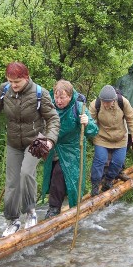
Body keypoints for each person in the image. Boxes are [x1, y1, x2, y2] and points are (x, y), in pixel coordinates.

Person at [0, 62, 60, 237]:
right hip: (14, 143)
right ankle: (12, 220)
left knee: (25, 173)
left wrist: (50, 140)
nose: (13, 86)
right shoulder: (4, 90)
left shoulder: (40, 93)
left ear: (26, 77)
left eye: (17, 82)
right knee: (12, 183)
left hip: (36, 142)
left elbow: (53, 119)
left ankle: (30, 211)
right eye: (10, 81)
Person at [42, 80, 98, 218]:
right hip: (53, 147)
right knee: (52, 177)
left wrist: (86, 122)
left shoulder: (78, 107)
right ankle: (55, 203)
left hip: (72, 151)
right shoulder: (50, 107)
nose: (59, 100)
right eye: (56, 97)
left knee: (59, 174)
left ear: (70, 96)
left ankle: (54, 208)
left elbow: (93, 130)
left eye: (62, 97)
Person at [89, 85, 133, 196]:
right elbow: (90, 122)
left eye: (108, 102)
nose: (106, 104)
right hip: (101, 137)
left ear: (114, 100)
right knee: (100, 161)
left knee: (118, 162)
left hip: (120, 138)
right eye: (104, 102)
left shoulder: (123, 102)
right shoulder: (95, 104)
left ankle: (108, 180)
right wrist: (87, 127)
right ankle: (95, 185)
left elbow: (132, 118)